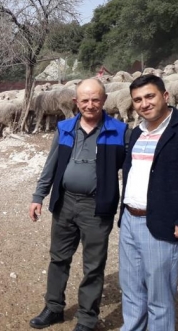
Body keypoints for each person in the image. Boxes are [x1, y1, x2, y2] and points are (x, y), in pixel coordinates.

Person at [28, 78, 128, 331]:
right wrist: (38, 197)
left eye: (96, 99)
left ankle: (86, 319)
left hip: (97, 208)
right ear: (76, 102)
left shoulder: (119, 131)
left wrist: (130, 207)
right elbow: (50, 165)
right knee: (58, 259)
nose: (90, 105)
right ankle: (53, 308)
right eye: (85, 100)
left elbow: (133, 172)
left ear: (104, 100)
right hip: (65, 203)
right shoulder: (64, 128)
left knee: (93, 265)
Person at [119, 74, 178, 330]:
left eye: (149, 96)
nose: (144, 104)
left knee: (159, 299)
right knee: (131, 290)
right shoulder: (136, 132)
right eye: (137, 100)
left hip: (162, 223)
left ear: (165, 96)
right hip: (129, 220)